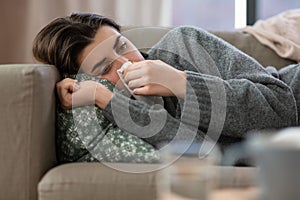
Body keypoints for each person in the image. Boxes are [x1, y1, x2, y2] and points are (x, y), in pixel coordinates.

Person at [32, 13, 297, 164]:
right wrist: (106, 99)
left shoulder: (185, 43)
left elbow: (281, 107)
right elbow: (203, 153)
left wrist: (180, 82)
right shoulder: (124, 111)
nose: (128, 63)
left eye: (123, 46)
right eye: (104, 69)